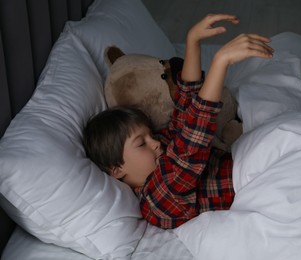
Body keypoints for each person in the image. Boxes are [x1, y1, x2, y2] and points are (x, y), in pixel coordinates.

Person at [83, 14, 274, 229]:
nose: (155, 142)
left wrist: (193, 42)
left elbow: (184, 112)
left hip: (248, 163)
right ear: (116, 169)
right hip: (251, 184)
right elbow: (189, 149)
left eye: (150, 135)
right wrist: (219, 63)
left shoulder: (161, 151)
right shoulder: (155, 200)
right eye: (141, 143)